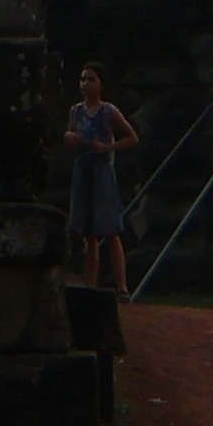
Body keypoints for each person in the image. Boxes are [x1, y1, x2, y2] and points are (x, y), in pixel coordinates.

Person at [60, 61, 142, 293]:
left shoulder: (109, 111)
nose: (85, 84)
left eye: (90, 79)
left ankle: (122, 287)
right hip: (82, 170)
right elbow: (70, 137)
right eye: (83, 79)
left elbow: (131, 137)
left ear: (101, 84)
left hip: (102, 171)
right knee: (88, 234)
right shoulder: (75, 111)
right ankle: (90, 285)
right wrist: (68, 138)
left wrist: (107, 147)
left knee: (110, 230)